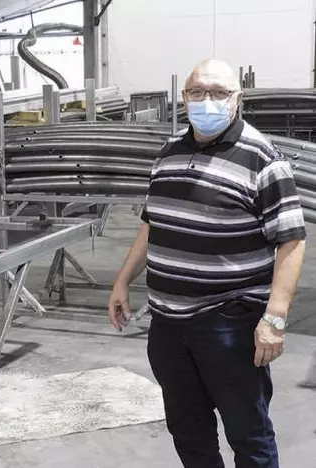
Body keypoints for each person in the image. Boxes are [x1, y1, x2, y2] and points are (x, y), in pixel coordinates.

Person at [108, 59, 306, 468]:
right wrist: (123, 279)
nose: (206, 101)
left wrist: (275, 319)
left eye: (218, 93)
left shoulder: (263, 159)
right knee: (188, 431)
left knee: (248, 434)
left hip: (228, 324)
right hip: (167, 324)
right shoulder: (168, 154)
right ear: (184, 97)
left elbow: (291, 244)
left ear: (238, 99)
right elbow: (152, 224)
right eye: (197, 92)